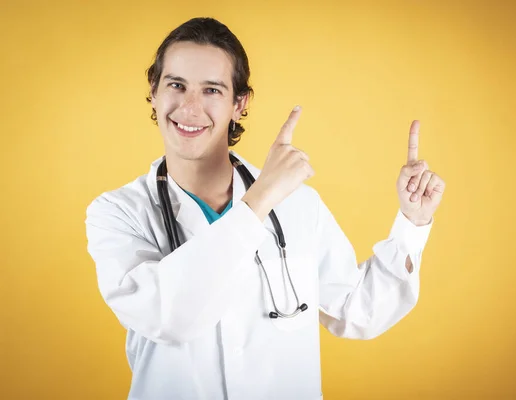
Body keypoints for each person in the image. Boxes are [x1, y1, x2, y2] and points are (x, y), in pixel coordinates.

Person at [85, 17, 445, 400]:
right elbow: (168, 317)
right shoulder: (117, 213)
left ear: (240, 104)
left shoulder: (298, 203)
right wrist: (259, 200)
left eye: (212, 90)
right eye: (176, 85)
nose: (189, 107)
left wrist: (412, 222)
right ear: (154, 92)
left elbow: (357, 311)